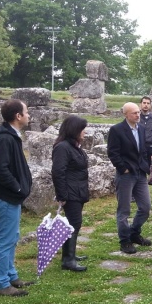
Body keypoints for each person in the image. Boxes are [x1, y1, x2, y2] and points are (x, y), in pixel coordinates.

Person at [0, 99, 33, 297]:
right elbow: (0, 170)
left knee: (11, 238)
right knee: (4, 241)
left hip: (10, 198)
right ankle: (0, 284)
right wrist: (17, 187)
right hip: (6, 197)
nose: (29, 115)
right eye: (26, 111)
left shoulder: (11, 136)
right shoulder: (5, 139)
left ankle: (11, 276)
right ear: (18, 116)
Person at [107, 102, 152, 254]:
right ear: (125, 114)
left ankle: (134, 233)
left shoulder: (141, 129)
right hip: (126, 174)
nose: (138, 115)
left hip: (140, 173)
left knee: (145, 207)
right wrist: (123, 168)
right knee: (124, 209)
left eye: (138, 112)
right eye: (134, 113)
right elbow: (113, 152)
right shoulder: (117, 130)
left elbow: (143, 150)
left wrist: (146, 166)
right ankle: (125, 241)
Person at [51, 115, 90, 272]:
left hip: (78, 191)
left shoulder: (73, 146)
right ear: (74, 130)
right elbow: (58, 172)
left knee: (73, 223)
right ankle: (68, 260)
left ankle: (70, 254)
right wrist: (62, 195)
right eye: (82, 129)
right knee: (74, 224)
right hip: (70, 192)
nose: (84, 132)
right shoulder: (62, 148)